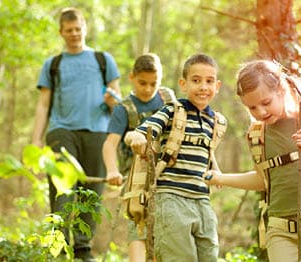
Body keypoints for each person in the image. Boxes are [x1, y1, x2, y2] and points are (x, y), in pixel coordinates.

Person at [204, 60, 301, 261]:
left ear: (281, 89)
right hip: (280, 229)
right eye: (252, 107)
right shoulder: (257, 134)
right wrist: (221, 178)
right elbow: (262, 180)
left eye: (266, 103)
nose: (260, 112)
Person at [31, 7, 121, 261]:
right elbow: (43, 104)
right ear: (61, 32)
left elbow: (118, 100)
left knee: (91, 192)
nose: (74, 34)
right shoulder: (53, 64)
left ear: (85, 29)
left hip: (98, 133)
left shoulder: (103, 60)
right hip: (61, 131)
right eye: (69, 30)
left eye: (78, 29)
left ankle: (83, 249)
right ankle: (58, 249)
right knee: (62, 190)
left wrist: (111, 100)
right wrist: (36, 139)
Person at [124, 53, 225, 261]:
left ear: (217, 86)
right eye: (196, 81)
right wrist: (135, 137)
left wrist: (217, 170)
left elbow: (207, 151)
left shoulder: (215, 121)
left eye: (209, 81)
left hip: (202, 200)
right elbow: (144, 129)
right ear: (183, 84)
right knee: (179, 256)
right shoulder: (173, 110)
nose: (203, 87)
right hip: (172, 197)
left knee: (209, 255)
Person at [102, 53, 175, 261]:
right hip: (136, 176)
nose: (148, 89)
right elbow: (109, 144)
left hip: (168, 171)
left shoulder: (168, 98)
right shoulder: (123, 109)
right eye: (142, 83)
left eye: (154, 83)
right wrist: (112, 170)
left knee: (166, 225)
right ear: (131, 77)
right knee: (139, 219)